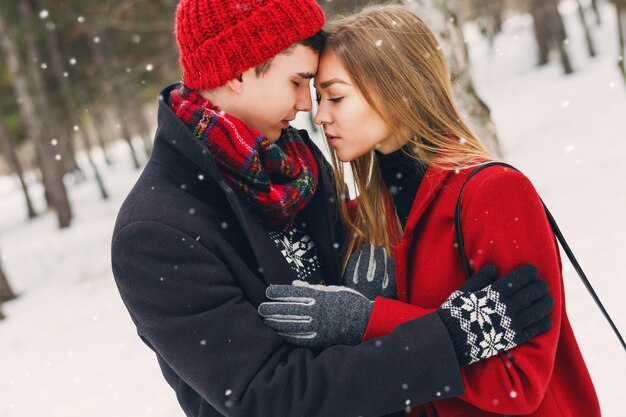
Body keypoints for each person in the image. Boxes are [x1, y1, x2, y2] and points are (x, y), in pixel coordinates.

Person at [111, 1, 553, 416]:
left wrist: (378, 311)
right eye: (298, 82)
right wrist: (448, 338)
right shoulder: (155, 231)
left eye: (324, 93)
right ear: (238, 72)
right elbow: (267, 399)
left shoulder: (294, 167)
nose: (308, 107)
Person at [260, 5, 600, 417]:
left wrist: (368, 320)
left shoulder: (495, 195)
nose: (320, 115)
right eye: (319, 99)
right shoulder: (365, 217)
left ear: (395, 88)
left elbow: (518, 382)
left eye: (336, 96)